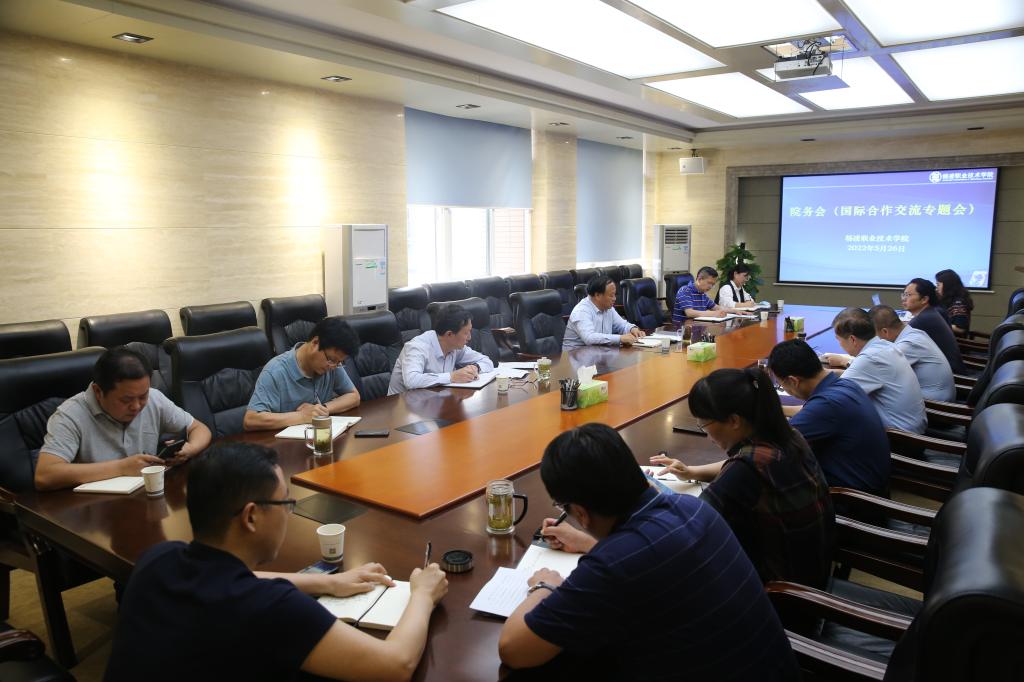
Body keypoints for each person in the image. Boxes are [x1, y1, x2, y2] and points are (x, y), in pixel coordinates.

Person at [104, 442, 448, 682]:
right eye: (286, 503)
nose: (289, 513)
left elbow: (236, 579)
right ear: (251, 517)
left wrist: (328, 581)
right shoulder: (270, 607)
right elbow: (395, 666)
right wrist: (422, 595)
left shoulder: (158, 558)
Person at [498, 423, 798, 681]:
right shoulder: (693, 508)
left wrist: (544, 586)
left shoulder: (612, 568)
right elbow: (653, 559)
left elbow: (513, 649)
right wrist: (588, 544)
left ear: (580, 512)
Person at [650, 368, 834, 588]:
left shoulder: (744, 469)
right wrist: (692, 472)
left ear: (734, 420)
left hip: (781, 591)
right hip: (812, 569)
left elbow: (689, 527)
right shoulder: (789, 436)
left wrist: (654, 495)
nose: (707, 435)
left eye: (704, 425)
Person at [35, 347, 211, 491]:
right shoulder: (70, 415)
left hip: (143, 499)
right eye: (126, 400)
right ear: (98, 391)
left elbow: (199, 429)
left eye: (143, 396)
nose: (137, 406)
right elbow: (45, 475)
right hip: (94, 510)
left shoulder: (154, 399)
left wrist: (190, 449)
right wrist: (121, 468)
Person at [768, 339, 890, 496]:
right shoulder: (845, 385)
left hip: (852, 499)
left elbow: (774, 444)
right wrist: (777, 410)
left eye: (781, 385)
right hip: (871, 481)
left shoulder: (826, 405)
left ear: (793, 381)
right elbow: (810, 413)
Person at [244, 316, 361, 431]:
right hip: (283, 442)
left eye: (339, 362)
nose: (333, 366)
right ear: (315, 343)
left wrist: (322, 409)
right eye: (332, 360)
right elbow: (251, 420)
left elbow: (354, 396)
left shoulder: (332, 365)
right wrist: (302, 416)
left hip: (319, 438)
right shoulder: (275, 371)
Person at [825, 307, 927, 434]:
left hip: (900, 437)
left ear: (852, 339)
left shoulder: (870, 358)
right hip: (911, 428)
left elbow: (833, 400)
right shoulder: (886, 346)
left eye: (838, 339)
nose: (839, 344)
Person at [387, 303, 494, 395]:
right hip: (401, 406)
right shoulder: (417, 347)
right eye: (466, 333)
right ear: (449, 334)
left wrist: (475, 368)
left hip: (435, 401)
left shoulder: (456, 347)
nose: (470, 337)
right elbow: (411, 381)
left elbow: (487, 361)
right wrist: (451, 377)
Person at [870, 304, 955, 402]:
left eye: (874, 336)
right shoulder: (915, 333)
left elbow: (877, 370)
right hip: (939, 395)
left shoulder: (908, 344)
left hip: (936, 404)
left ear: (885, 332)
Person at [903, 278, 968, 374]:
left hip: (951, 375)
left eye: (908, 295)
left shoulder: (923, 319)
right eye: (904, 294)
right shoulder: (931, 312)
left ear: (924, 299)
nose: (904, 298)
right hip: (947, 369)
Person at [562, 275, 644, 350]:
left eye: (615, 295)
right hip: (576, 356)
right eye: (611, 295)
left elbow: (622, 325)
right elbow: (589, 338)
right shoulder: (582, 311)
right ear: (597, 295)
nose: (614, 299)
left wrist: (632, 329)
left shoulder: (608, 308)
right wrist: (620, 338)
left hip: (599, 353)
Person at [935, 268, 974, 336]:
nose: (936, 288)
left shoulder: (958, 303)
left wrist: (936, 324)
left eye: (938, 285)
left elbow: (960, 329)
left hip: (954, 340)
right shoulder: (947, 299)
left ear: (947, 285)